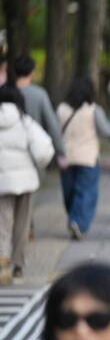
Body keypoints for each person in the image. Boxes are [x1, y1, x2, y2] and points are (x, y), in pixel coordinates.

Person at [0, 84, 54, 285]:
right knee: (22, 224)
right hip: (25, 181)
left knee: (2, 222)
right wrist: (39, 165)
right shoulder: (25, 121)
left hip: (2, 182)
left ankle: (2, 262)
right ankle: (18, 266)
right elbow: (43, 149)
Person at [56, 77, 110, 240]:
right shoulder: (94, 109)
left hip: (66, 158)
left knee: (69, 192)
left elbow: (55, 132)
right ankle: (78, 222)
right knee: (86, 192)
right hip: (88, 158)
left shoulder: (61, 108)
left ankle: (74, 219)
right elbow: (107, 131)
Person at [14, 54, 67, 167]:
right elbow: (52, 124)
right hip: (33, 149)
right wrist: (61, 150)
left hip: (8, 148)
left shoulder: (4, 92)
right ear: (32, 72)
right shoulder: (39, 94)